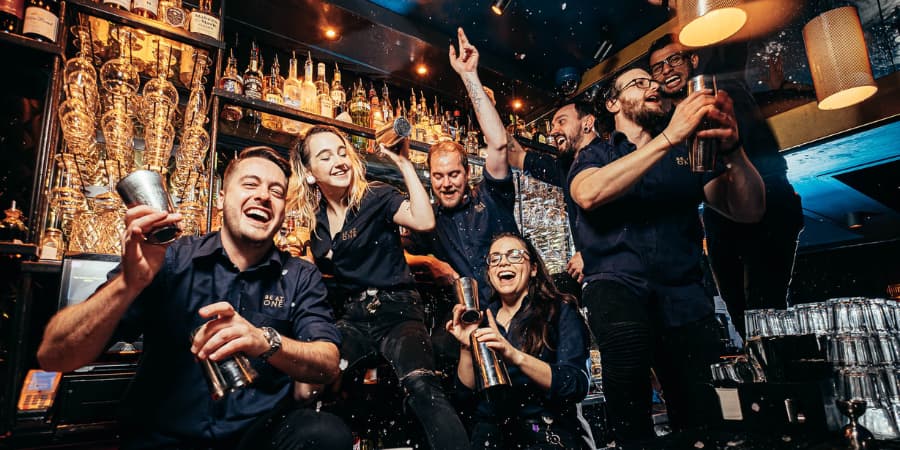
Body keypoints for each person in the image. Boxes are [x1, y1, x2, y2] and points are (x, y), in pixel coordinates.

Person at [37, 147, 350, 450]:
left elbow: (327, 364)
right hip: (165, 437)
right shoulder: (169, 258)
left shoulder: (299, 275)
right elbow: (54, 356)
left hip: (258, 437)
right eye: (250, 183)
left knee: (325, 432)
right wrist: (128, 284)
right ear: (222, 198)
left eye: (276, 191)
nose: (264, 196)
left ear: (283, 210)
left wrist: (265, 341)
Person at [568, 68, 765, 445]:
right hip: (618, 288)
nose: (653, 87)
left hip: (684, 297)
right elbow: (588, 193)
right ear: (613, 103)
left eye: (653, 82)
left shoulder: (686, 153)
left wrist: (734, 151)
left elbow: (749, 209)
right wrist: (669, 135)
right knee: (630, 408)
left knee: (705, 416)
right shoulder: (597, 153)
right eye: (639, 83)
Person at [286, 125, 469, 450]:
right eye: (325, 156)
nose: (339, 161)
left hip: (397, 313)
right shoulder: (316, 222)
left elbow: (425, 221)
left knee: (422, 387)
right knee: (308, 386)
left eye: (342, 152)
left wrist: (403, 163)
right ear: (310, 174)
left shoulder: (376, 196)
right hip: (352, 320)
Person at [648, 34, 804, 337]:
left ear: (693, 61)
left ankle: (779, 375)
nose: (666, 70)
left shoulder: (720, 87)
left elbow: (729, 44)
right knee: (738, 311)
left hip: (770, 198)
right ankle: (761, 369)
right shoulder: (674, 121)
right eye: (658, 67)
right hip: (719, 210)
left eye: (674, 60)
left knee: (765, 309)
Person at [445, 232, 591, 450]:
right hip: (491, 437)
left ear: (533, 269)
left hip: (544, 432)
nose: (502, 261)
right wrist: (467, 347)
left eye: (514, 255)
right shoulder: (483, 319)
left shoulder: (559, 310)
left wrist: (514, 355)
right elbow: (465, 398)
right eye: (494, 259)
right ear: (490, 273)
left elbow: (575, 384)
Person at [405, 27, 519, 303]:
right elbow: (397, 251)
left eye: (454, 174)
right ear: (429, 177)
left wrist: (469, 77)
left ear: (468, 173)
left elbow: (499, 144)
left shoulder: (491, 195)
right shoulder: (426, 220)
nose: (446, 184)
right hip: (467, 319)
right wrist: (430, 263)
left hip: (518, 310)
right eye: (438, 176)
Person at [507, 100, 599, 284]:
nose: (552, 130)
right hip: (596, 279)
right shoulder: (566, 168)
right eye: (553, 124)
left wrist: (591, 255)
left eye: (561, 122)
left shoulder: (613, 154)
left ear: (588, 123)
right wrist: (488, 107)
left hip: (626, 278)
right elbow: (515, 155)